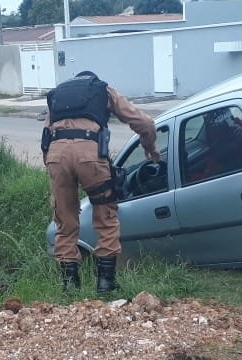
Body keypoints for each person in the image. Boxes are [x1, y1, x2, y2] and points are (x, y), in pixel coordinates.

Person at [44, 71, 158, 293]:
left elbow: (46, 136)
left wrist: (53, 168)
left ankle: (70, 285)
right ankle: (105, 283)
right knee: (105, 216)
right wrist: (150, 147)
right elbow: (143, 122)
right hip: (90, 156)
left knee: (64, 220)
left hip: (56, 157)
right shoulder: (103, 90)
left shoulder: (57, 95)